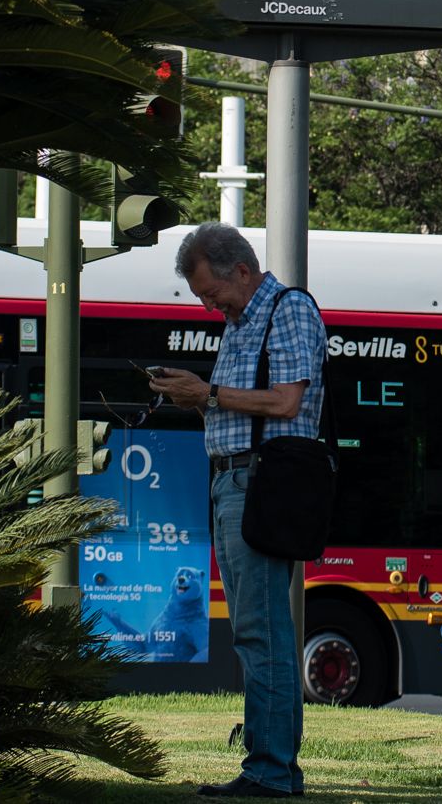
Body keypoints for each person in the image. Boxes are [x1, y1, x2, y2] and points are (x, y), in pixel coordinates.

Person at [148, 224, 326, 798]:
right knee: (256, 630)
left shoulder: (288, 309)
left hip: (260, 482)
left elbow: (287, 401)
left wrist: (207, 393)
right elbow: (237, 408)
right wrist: (194, 397)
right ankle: (273, 768)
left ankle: (270, 772)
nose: (209, 306)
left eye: (211, 292)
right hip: (234, 480)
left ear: (242, 271)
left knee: (262, 631)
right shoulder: (239, 324)